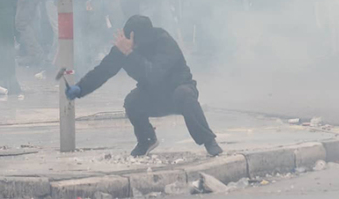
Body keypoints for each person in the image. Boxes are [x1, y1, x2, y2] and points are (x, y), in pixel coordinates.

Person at [65, 15, 223, 157]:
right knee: (132, 101)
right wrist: (80, 88)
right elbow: (103, 71)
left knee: (184, 94)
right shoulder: (125, 49)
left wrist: (130, 54)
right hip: (153, 95)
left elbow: (154, 74)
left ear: (135, 37)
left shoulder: (164, 42)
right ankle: (146, 140)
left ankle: (209, 141)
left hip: (177, 90)